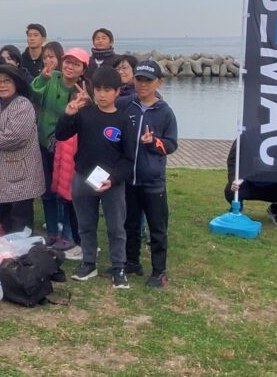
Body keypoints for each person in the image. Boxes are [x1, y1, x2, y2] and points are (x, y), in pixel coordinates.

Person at [55, 66, 134, 289]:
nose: (102, 94)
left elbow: (129, 159)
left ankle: (118, 267)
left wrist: (114, 178)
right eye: (98, 89)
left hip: (111, 182)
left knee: (116, 227)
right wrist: (68, 114)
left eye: (107, 90)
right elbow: (61, 134)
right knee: (86, 224)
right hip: (83, 177)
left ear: (117, 92)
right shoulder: (85, 114)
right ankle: (88, 262)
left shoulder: (123, 120)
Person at [118, 60, 178, 287]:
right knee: (130, 224)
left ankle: (159, 271)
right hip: (129, 180)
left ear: (159, 83)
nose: (143, 84)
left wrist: (154, 142)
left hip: (153, 182)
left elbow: (171, 145)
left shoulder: (165, 112)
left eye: (148, 81)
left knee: (157, 228)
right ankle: (131, 262)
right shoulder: (125, 104)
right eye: (139, 79)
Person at [30, 42, 84, 251]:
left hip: (68, 149)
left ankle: (68, 234)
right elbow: (34, 94)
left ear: (83, 69)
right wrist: (43, 78)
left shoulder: (82, 89)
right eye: (68, 62)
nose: (70, 67)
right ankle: (51, 231)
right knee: (47, 190)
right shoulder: (51, 78)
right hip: (44, 142)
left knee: (66, 192)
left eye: (76, 64)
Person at [0, 64, 46, 234]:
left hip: (21, 174)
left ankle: (25, 250)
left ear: (16, 83)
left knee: (21, 222)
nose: (2, 85)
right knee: (4, 218)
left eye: (7, 81)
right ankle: (10, 249)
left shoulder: (23, 104)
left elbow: (18, 134)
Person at [225, 140, 277, 228]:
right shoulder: (245, 135)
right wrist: (234, 179)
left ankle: (276, 211)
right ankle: (237, 210)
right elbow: (233, 160)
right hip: (249, 183)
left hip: (275, 186)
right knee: (230, 190)